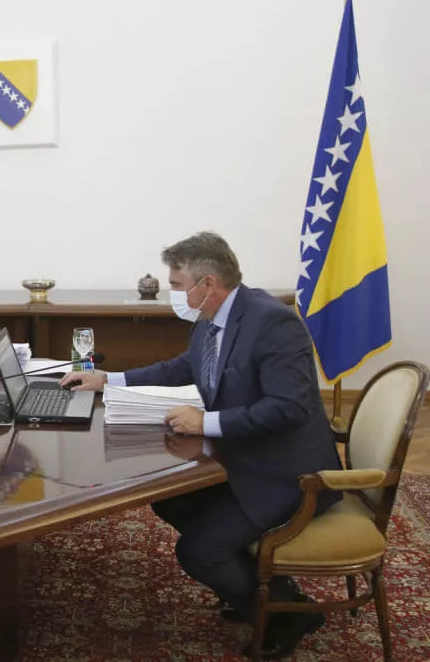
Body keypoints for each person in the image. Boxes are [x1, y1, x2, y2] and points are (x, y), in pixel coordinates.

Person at [61, 232, 342, 658]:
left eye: (176, 284)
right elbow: (181, 368)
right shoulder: (213, 317)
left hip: (286, 473)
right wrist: (108, 379)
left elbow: (290, 408)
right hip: (242, 456)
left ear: (207, 283)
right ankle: (268, 588)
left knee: (199, 552)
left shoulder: (272, 322)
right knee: (171, 501)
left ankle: (284, 616)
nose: (173, 293)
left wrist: (206, 422)